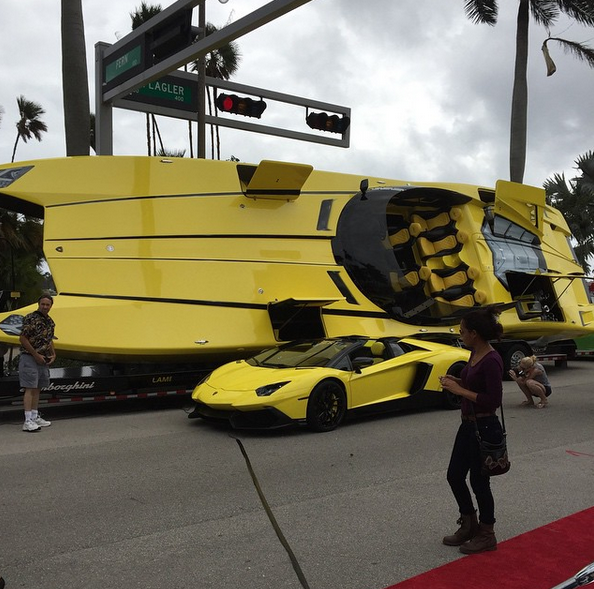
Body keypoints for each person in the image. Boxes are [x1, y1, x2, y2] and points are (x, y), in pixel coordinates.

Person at [438, 307, 504, 554]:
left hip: (485, 426)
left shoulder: (492, 360)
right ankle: (469, 522)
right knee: (454, 475)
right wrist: (457, 382)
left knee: (479, 482)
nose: (460, 333)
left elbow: (493, 400)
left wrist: (460, 391)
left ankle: (487, 533)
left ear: (474, 333)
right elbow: (475, 385)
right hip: (468, 424)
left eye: (462, 330)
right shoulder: (474, 353)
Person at [18, 293, 56, 432]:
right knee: (30, 388)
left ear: (51, 306)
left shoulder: (50, 321)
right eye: (43, 304)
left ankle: (34, 416)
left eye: (48, 304)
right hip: (30, 357)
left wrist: (53, 353)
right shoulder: (31, 318)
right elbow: (22, 338)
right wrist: (35, 355)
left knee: (38, 387)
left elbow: (49, 339)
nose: (45, 307)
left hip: (43, 358)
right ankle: (27, 420)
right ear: (38, 304)